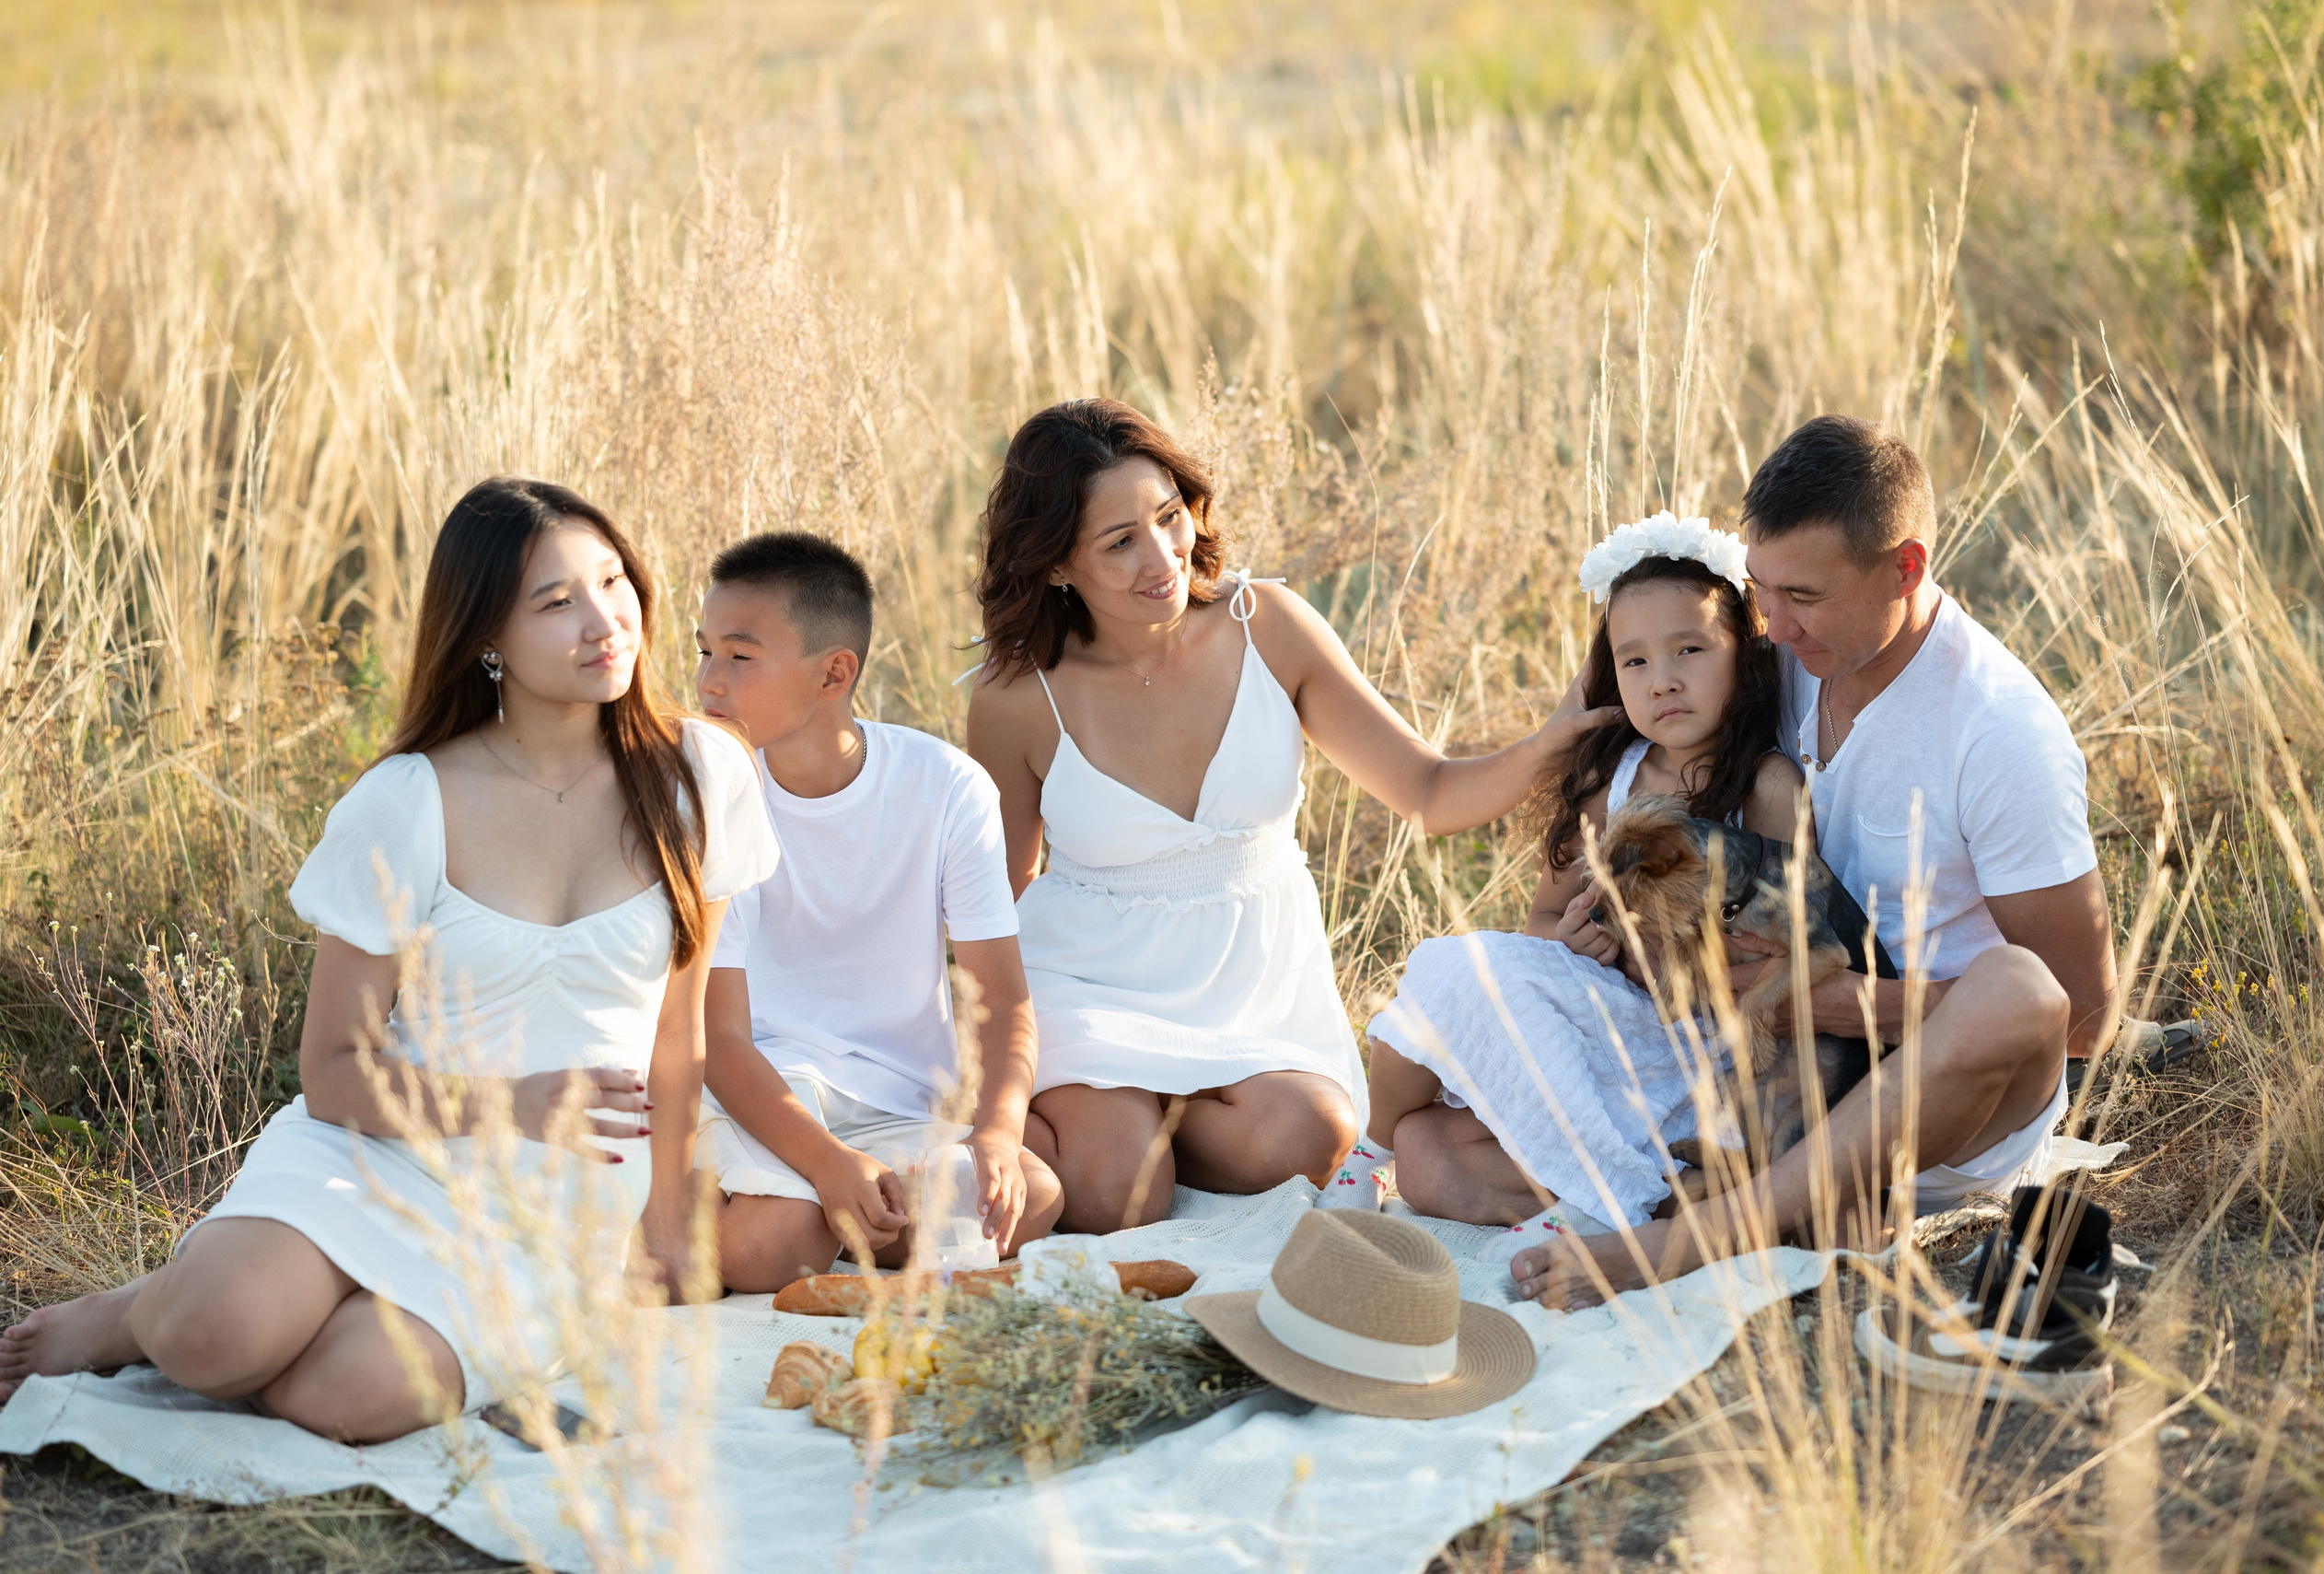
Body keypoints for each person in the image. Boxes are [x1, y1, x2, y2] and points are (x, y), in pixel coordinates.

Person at [0, 478, 779, 1439]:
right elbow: (331, 1070)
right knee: (214, 1332)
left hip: (562, 1184)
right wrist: (513, 1103)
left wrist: (663, 1216)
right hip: (387, 1142)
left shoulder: (700, 775)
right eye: (555, 601)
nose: (603, 619)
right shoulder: (409, 799)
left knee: (355, 1393)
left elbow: (678, 1026)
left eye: (612, 580)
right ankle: (128, 1311)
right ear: (486, 635)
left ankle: (300, 1317)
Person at [1504, 415, 2118, 1309]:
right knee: (1444, 1159)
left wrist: (1843, 1003)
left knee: (2016, 987)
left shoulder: (1997, 732)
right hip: (1753, 1064)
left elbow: (2080, 1016)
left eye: (1804, 595)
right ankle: (1782, 1206)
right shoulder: (1761, 661)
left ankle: (1696, 1235)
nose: (1774, 624)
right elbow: (1595, 746)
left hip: (1934, 1099)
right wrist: (1591, 928)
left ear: (1904, 567)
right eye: (1759, 588)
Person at [964, 398, 1617, 1233]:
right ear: (1057, 565)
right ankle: (1117, 1124)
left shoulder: (1264, 625)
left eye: (1168, 518)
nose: (1163, 556)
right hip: (1091, 981)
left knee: (1316, 1135)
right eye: (1119, 541)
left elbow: (1428, 792)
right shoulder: (1017, 696)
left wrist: (1552, 740)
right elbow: (998, 901)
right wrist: (993, 1076)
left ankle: (1154, 1114)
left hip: (1254, 988)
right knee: (1115, 1192)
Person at [1330, 517, 1809, 1256]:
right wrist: (1580, 939)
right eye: (1636, 661)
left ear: (1743, 655)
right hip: (1598, 1025)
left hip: (1691, 1052)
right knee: (1423, 1141)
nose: (1664, 679)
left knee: (1450, 1052)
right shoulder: (1608, 779)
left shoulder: (1768, 787)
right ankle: (1373, 1151)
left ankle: (1621, 1198)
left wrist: (1677, 952)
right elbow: (1542, 923)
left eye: (1690, 650)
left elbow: (1796, 958)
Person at [691, 532, 1063, 1291]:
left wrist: (994, 1132)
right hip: (763, 1090)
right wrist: (829, 1164)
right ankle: (733, 1201)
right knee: (771, 1245)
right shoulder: (705, 795)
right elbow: (722, 1039)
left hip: (896, 1099)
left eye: (738, 656)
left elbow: (1002, 998)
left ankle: (847, 1211)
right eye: (703, 652)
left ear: (835, 672)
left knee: (1034, 1195)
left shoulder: (947, 787)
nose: (707, 682)